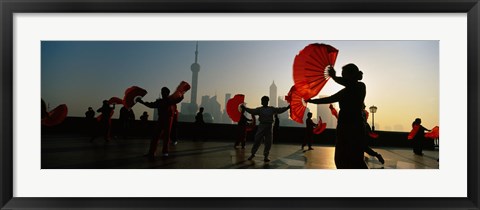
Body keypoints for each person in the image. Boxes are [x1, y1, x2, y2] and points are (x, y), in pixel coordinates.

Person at [306, 64, 367, 169]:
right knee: (343, 159)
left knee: (354, 159)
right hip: (345, 128)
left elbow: (348, 84)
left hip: (353, 128)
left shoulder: (360, 86)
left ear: (351, 75)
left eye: (344, 75)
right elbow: (328, 99)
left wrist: (334, 77)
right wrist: (311, 100)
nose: (342, 77)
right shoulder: (347, 90)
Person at [137, 87, 184, 159]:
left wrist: (182, 93)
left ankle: (163, 152)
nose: (162, 93)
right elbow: (151, 105)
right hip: (162, 119)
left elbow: (178, 100)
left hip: (167, 119)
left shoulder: (168, 101)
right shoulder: (163, 101)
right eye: (162, 92)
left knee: (166, 136)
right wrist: (141, 102)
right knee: (156, 136)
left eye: (163, 92)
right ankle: (154, 152)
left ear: (167, 93)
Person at [242, 96, 290, 162]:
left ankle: (266, 156)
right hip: (262, 126)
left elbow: (280, 110)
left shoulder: (271, 109)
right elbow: (252, 111)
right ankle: (253, 153)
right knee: (257, 140)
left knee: (268, 142)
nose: (262, 102)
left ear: (267, 101)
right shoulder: (260, 109)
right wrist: (245, 108)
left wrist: (287, 107)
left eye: (264, 100)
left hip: (269, 126)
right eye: (262, 100)